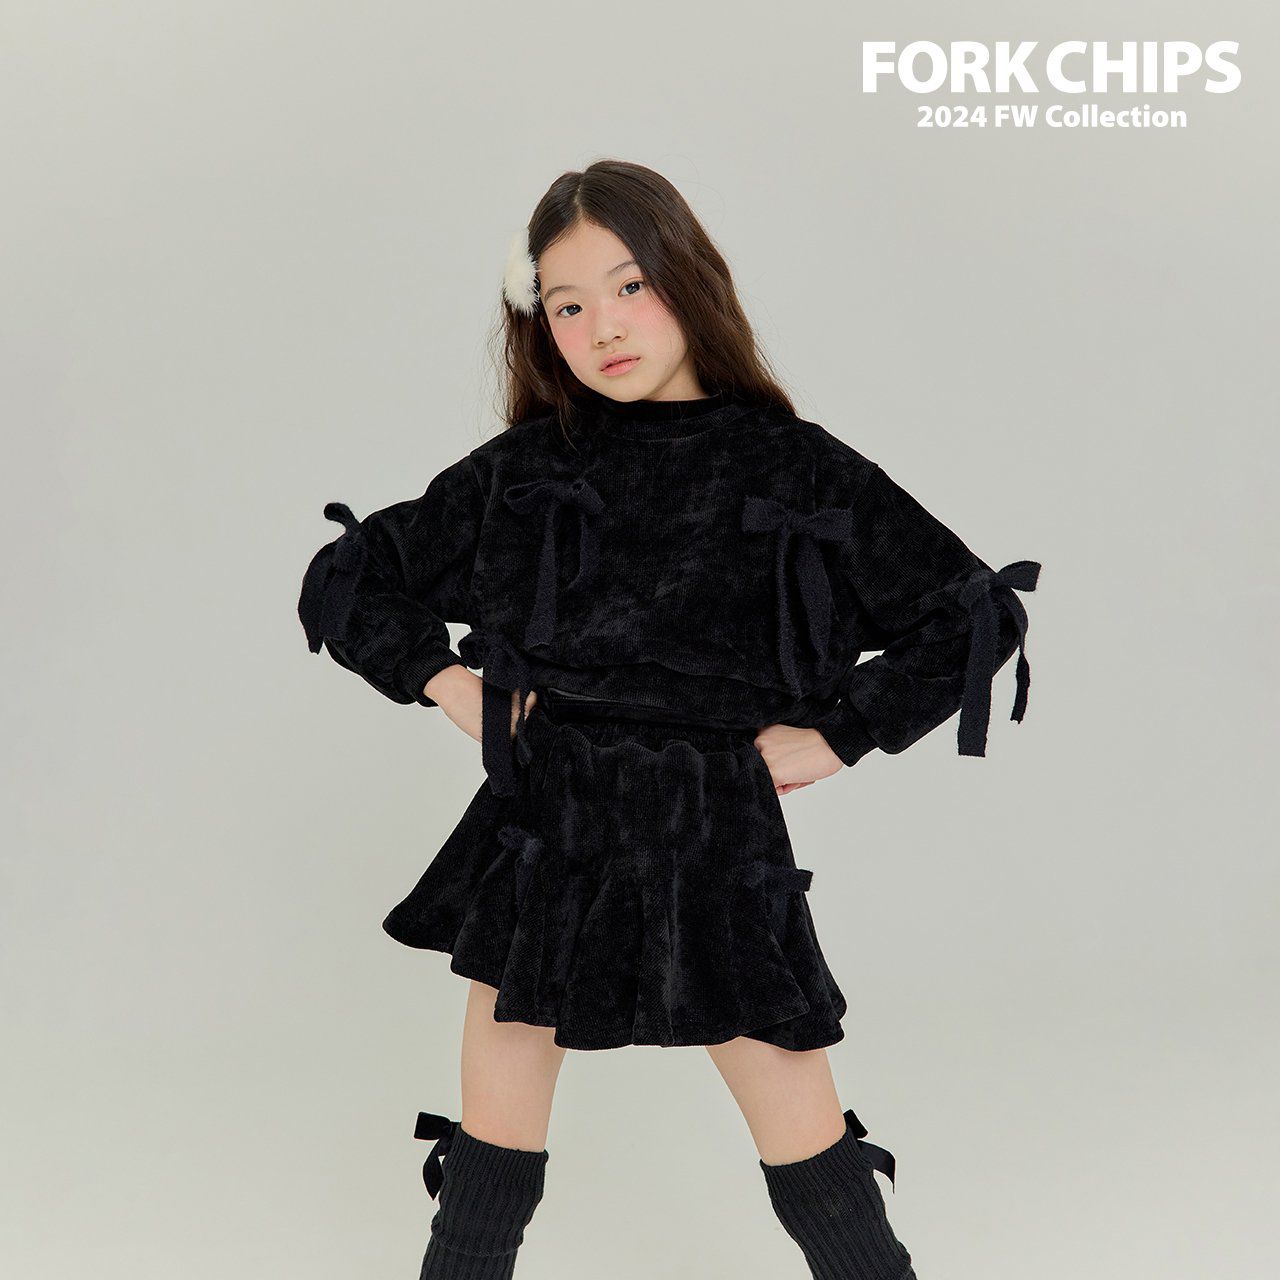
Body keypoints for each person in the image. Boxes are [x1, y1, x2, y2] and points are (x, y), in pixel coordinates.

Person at [297, 159, 1041, 1280]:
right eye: (566, 305)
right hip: (546, 826)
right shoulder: (525, 471)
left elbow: (972, 613)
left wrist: (844, 731)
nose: (601, 326)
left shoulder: (794, 466)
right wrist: (452, 685)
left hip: (714, 829)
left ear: (688, 279)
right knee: (492, 1139)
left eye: (629, 285)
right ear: (540, 323)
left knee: (803, 1130)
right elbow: (350, 576)